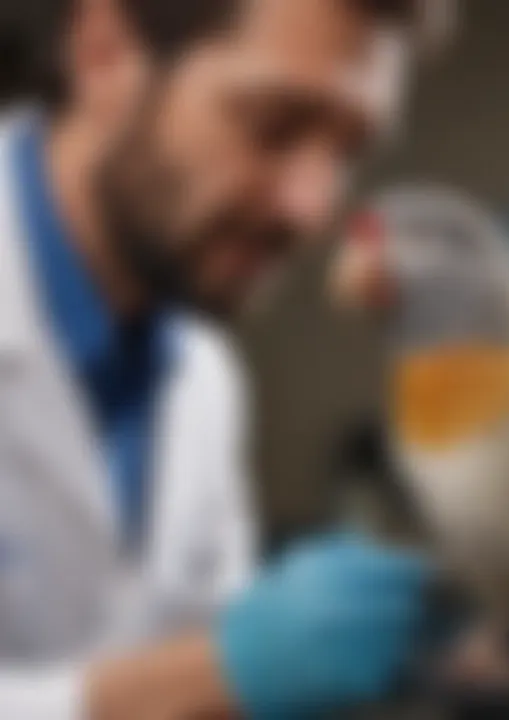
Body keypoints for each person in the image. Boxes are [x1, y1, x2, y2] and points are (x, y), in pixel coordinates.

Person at [0, 0, 454, 717]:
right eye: (273, 127)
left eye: (347, 154)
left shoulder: (206, 379)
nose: (311, 209)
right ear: (104, 53)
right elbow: (199, 681)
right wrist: (212, 674)